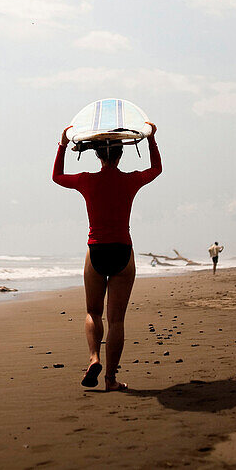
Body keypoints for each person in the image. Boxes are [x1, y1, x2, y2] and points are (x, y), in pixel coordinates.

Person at [52, 122, 162, 392]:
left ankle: (93, 358)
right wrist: (151, 140)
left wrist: (63, 144)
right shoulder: (130, 180)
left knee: (93, 311)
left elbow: (57, 176)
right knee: (117, 320)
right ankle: (110, 379)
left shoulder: (86, 181)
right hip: (123, 251)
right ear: (121, 154)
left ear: (97, 155)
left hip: (97, 251)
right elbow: (156, 169)